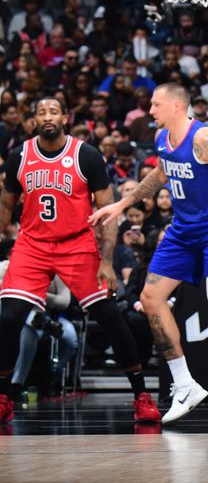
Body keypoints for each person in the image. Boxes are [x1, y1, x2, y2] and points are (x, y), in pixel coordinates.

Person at [90, 83, 208, 426]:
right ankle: (184, 384)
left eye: (155, 104)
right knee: (150, 298)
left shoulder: (204, 138)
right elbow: (161, 173)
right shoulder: (163, 139)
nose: (150, 111)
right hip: (182, 232)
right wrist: (124, 202)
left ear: (176, 106)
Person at [0, 97, 160, 424]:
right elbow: (5, 206)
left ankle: (141, 394)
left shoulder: (85, 155)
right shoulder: (19, 156)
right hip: (32, 244)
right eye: (41, 112)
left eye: (53, 111)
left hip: (77, 243)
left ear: (65, 116)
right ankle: (4, 396)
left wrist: (105, 261)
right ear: (33, 120)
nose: (47, 117)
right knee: (9, 317)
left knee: (111, 315)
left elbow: (108, 214)